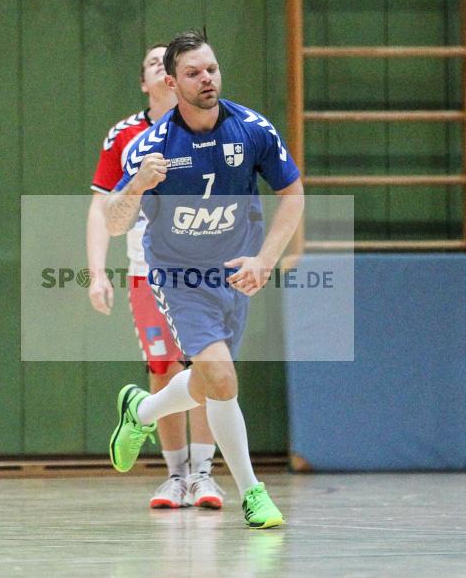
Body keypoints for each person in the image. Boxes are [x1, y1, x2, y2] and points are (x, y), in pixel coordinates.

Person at [105, 29, 304, 529]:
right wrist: (138, 183)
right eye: (193, 73)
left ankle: (141, 411)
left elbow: (294, 194)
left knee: (212, 379)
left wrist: (265, 260)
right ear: (172, 84)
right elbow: (113, 221)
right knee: (221, 376)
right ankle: (253, 494)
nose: (207, 78)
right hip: (178, 274)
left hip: (236, 272)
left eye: (211, 69)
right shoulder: (151, 146)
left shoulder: (253, 129)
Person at [88, 43, 223, 509]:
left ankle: (204, 473)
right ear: (149, 83)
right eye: (150, 62)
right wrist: (95, 272)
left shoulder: (213, 126)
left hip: (203, 269)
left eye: (167, 61)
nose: (160, 68)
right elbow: (100, 205)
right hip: (148, 272)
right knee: (162, 368)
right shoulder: (125, 136)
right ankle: (174, 474)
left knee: (206, 366)